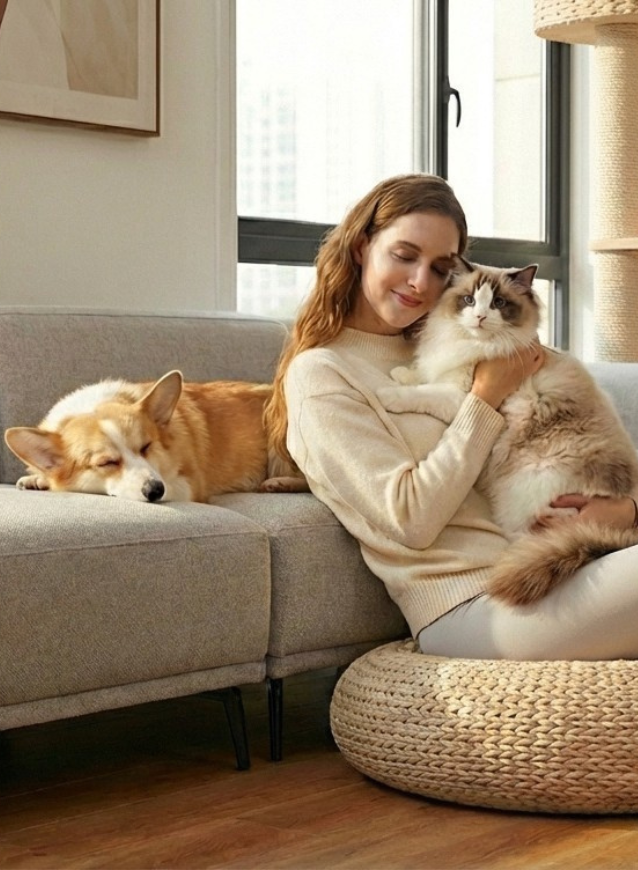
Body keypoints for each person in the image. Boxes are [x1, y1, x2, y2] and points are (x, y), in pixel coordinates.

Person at [265, 173, 638, 661]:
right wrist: (483, 399)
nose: (421, 282)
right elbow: (410, 520)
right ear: (361, 248)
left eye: (440, 268)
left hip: (566, 562)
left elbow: (584, 433)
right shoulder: (322, 374)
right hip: (475, 604)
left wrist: (626, 512)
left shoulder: (457, 339)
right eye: (404, 256)